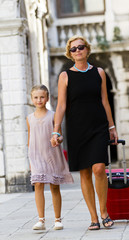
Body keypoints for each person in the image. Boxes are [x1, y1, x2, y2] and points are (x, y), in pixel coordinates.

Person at [50, 35, 118, 230]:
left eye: (81, 47)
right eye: (73, 49)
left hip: (98, 127)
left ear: (87, 49)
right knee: (85, 172)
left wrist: (111, 127)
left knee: (98, 168)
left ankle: (104, 212)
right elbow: (61, 105)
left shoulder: (99, 73)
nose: (78, 51)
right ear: (69, 53)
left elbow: (105, 101)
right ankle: (94, 217)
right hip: (77, 129)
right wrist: (56, 131)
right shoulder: (65, 76)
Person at [26, 85, 73, 231]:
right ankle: (41, 220)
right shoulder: (29, 118)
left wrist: (57, 140)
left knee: (54, 186)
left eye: (42, 97)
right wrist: (29, 158)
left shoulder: (53, 115)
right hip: (35, 155)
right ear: (32, 99)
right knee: (38, 184)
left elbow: (59, 135)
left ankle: (57, 219)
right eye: (36, 97)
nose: (39, 100)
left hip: (51, 155)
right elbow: (30, 138)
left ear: (47, 98)